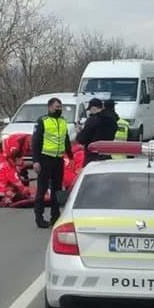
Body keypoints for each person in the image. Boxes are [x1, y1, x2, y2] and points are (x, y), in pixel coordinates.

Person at [32, 97, 73, 228]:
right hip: (45, 159)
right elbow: (36, 142)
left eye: (60, 107)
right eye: (56, 107)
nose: (59, 109)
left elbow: (66, 139)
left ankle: (55, 216)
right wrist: (36, 161)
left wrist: (71, 156)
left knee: (57, 190)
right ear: (50, 107)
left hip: (58, 160)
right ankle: (39, 217)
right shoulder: (43, 121)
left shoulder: (62, 121)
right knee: (42, 189)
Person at [77, 98, 118, 166]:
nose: (89, 112)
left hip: (92, 157)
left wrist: (79, 132)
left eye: (90, 110)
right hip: (107, 155)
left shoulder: (92, 120)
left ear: (93, 108)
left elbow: (82, 139)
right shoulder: (112, 120)